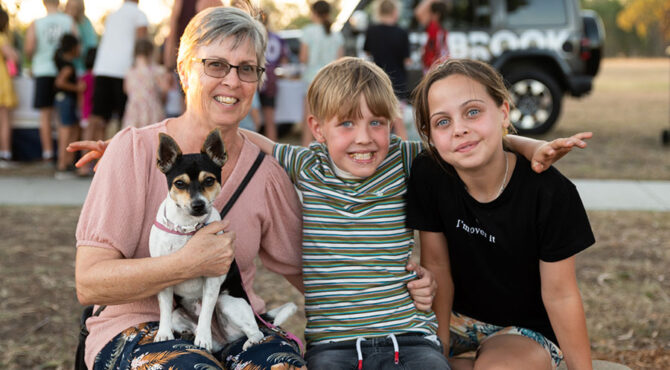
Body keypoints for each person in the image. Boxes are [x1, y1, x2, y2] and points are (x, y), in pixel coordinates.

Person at [240, 56, 591, 369]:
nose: (363, 137)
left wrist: (531, 145)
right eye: (346, 123)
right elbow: (252, 142)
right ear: (318, 130)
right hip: (367, 334)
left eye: (377, 123)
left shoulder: (407, 160)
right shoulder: (318, 163)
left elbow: (461, 142)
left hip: (454, 330)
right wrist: (194, 125)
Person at [73, 7, 321, 369]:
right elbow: (90, 283)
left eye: (247, 69)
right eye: (216, 65)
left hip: (231, 327)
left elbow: (310, 272)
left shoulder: (265, 173)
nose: (233, 81)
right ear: (185, 71)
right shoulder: (131, 152)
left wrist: (394, 277)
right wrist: (185, 264)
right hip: (137, 326)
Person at [406, 58, 595, 369]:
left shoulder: (550, 193)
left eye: (473, 112)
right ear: (429, 134)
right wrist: (436, 353)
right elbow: (437, 266)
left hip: (523, 328)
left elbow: (560, 294)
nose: (459, 129)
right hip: (454, 318)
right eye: (443, 122)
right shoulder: (430, 174)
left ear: (504, 112)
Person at [24, 0, 77, 162]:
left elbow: (29, 48)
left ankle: (48, 153)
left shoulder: (37, 23)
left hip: (43, 70)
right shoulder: (68, 21)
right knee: (65, 117)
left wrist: (32, 60)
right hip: (64, 70)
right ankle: (66, 156)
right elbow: (77, 45)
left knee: (45, 115)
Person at [89, 0, 148, 140]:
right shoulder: (139, 15)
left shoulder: (113, 15)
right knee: (125, 118)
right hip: (124, 71)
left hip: (103, 68)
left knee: (98, 117)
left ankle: (90, 157)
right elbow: (142, 45)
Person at [363, 0, 410, 139]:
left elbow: (367, 52)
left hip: (377, 82)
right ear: (395, 12)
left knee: (377, 121)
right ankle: (405, 155)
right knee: (398, 122)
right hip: (398, 82)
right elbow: (407, 60)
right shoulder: (402, 32)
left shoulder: (372, 31)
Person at [299, 0, 344, 146]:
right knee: (330, 119)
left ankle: (306, 152)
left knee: (309, 119)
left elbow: (303, 58)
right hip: (332, 81)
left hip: (312, 80)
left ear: (314, 13)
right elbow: (341, 61)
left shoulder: (308, 31)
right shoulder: (337, 35)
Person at [53, 33, 84, 179]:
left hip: (64, 100)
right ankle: (62, 165)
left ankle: (68, 163)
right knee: (65, 131)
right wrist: (77, 88)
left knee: (70, 130)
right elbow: (60, 83)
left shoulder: (63, 62)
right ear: (73, 48)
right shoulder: (68, 67)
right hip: (65, 99)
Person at [122, 38, 168, 129]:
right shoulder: (157, 71)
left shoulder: (130, 71)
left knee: (133, 137)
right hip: (152, 109)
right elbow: (165, 88)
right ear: (151, 52)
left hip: (134, 109)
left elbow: (126, 89)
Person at [258, 10, 287, 141]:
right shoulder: (277, 38)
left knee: (250, 119)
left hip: (255, 77)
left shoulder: (252, 36)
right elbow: (284, 61)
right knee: (270, 120)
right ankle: (272, 150)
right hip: (271, 81)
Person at [0, 6, 19, 167]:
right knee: (4, 118)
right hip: (1, 81)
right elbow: (11, 57)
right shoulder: (2, 38)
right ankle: (5, 153)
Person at [76, 47, 96, 175]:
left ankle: (83, 167)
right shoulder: (98, 78)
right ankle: (92, 167)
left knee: (86, 140)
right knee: (96, 140)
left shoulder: (84, 77)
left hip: (86, 112)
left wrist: (80, 111)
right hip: (95, 113)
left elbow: (81, 96)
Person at [64, 0, 97, 75]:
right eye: (69, 7)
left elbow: (90, 47)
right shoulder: (63, 21)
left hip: (81, 68)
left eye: (74, 8)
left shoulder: (85, 23)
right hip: (63, 68)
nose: (71, 11)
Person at [414, 0, 449, 72]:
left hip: (432, 67)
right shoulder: (442, 30)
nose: (428, 15)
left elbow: (418, 12)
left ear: (436, 15)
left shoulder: (432, 27)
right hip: (440, 66)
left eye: (430, 12)